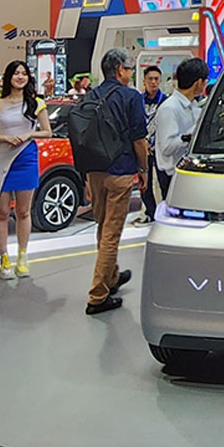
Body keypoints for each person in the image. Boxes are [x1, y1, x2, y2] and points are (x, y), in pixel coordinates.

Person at [84, 49, 150, 315]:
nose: (131, 73)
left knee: (103, 227)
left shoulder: (91, 96)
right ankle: (98, 295)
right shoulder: (131, 97)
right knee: (112, 233)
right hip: (120, 170)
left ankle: (111, 276)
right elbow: (139, 139)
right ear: (120, 70)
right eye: (130, 68)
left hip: (94, 170)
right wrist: (143, 169)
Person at [0, 61, 53, 280]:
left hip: (26, 157)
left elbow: (47, 132)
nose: (20, 77)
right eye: (16, 73)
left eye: (24, 73)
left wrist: (28, 134)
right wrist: (4, 138)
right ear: (9, 77)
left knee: (23, 211)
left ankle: (23, 256)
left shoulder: (36, 103)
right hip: (3, 157)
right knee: (2, 211)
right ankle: (4, 258)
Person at [153, 57, 209, 200]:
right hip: (172, 176)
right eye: (205, 81)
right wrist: (192, 134)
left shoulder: (193, 106)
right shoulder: (169, 108)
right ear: (198, 83)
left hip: (188, 172)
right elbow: (167, 147)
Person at [136, 65, 166, 224]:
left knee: (163, 182)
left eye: (156, 79)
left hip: (160, 148)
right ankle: (150, 212)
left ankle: (166, 212)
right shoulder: (137, 101)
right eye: (150, 79)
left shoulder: (165, 101)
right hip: (142, 148)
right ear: (144, 80)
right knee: (144, 183)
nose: (153, 82)